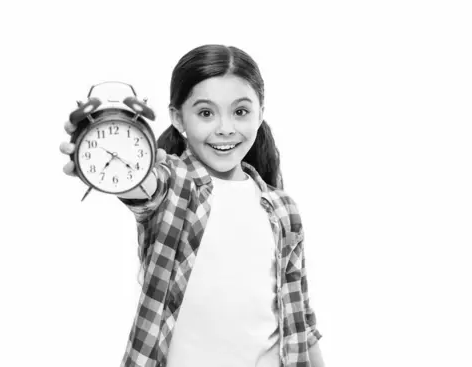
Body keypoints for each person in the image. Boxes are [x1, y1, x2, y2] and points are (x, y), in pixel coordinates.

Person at [60, 44, 325, 367]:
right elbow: (143, 185)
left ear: (261, 112)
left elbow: (301, 321)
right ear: (177, 117)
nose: (225, 128)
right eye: (205, 113)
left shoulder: (283, 209)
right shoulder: (173, 184)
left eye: (240, 111)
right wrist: (102, 141)